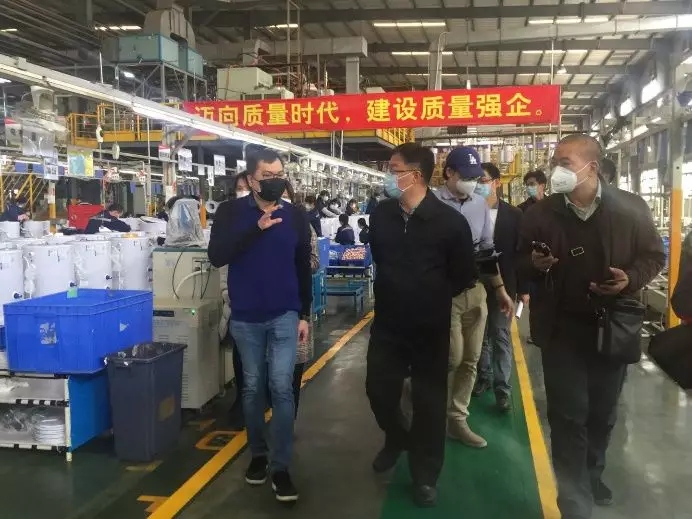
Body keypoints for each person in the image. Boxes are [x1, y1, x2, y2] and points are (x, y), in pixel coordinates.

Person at [518, 134, 664, 519]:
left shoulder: (630, 209)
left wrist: (629, 280)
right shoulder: (540, 215)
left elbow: (653, 256)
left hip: (612, 327)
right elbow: (517, 262)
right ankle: (574, 503)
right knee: (567, 417)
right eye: (554, 162)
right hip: (561, 330)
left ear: (591, 167)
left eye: (564, 162)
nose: (556, 170)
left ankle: (592, 473)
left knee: (602, 414)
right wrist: (534, 265)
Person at [366, 143, 477, 507]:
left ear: (414, 175)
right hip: (388, 325)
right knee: (378, 391)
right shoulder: (382, 214)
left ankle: (425, 475)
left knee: (429, 404)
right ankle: (397, 436)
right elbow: (380, 257)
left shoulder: (450, 224)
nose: (388, 174)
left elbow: (463, 275)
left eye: (393, 168)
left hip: (430, 329)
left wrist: (428, 295)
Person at [208, 148, 312, 503]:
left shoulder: (295, 216)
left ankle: (281, 467)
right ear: (251, 180)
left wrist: (304, 313)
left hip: (284, 313)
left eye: (279, 174)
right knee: (252, 389)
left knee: (281, 387)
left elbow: (302, 265)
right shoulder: (230, 213)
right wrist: (256, 228)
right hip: (246, 317)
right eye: (268, 176)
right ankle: (258, 454)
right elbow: (217, 257)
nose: (276, 181)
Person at [434, 146, 514, 449]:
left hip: (476, 291)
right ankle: (427, 405)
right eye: (466, 176)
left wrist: (500, 290)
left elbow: (487, 250)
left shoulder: (480, 205)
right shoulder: (431, 203)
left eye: (476, 178)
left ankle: (457, 419)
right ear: (449, 173)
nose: (472, 182)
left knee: (470, 359)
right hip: (443, 295)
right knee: (451, 357)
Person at [471, 163, 527, 411]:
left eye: (482, 180)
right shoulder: (469, 212)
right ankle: (483, 377)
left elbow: (522, 254)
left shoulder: (514, 215)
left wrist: (524, 289)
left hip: (506, 284)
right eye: (475, 181)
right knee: (479, 335)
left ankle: (502, 388)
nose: (477, 185)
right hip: (475, 283)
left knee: (501, 335)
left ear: (496, 182)